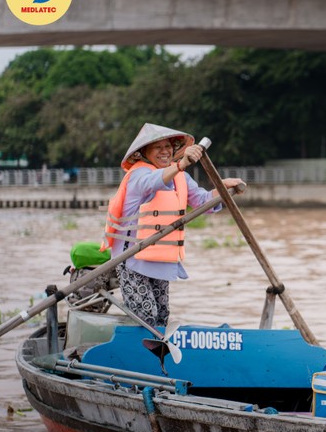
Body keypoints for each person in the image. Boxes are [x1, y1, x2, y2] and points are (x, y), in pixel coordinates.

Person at [100, 123, 243, 327]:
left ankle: (158, 355)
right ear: (143, 153)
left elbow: (203, 201)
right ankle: (139, 354)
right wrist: (181, 164)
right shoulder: (138, 175)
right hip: (131, 258)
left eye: (168, 147)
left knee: (161, 316)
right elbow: (153, 183)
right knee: (146, 316)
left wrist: (222, 187)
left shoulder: (180, 177)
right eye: (158, 148)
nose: (165, 151)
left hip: (159, 258)